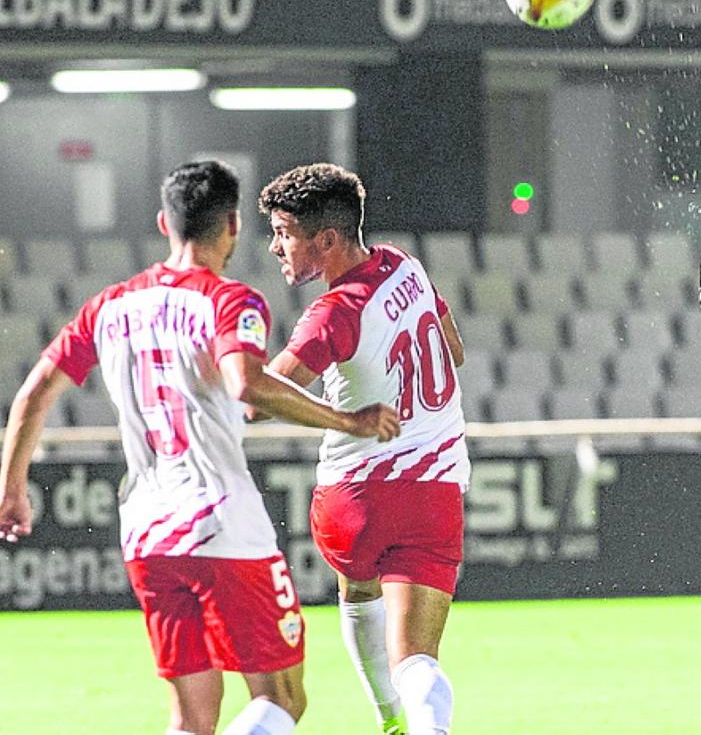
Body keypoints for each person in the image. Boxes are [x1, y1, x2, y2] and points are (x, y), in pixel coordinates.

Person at [0, 160, 401, 734]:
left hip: (145, 532)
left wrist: (12, 490)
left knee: (191, 718)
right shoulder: (229, 301)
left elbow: (34, 393)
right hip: (221, 525)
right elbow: (248, 384)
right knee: (282, 699)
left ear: (166, 223)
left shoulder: (108, 307)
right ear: (233, 226)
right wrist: (348, 421)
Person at [256, 163, 469, 735]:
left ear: (324, 240)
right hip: (431, 491)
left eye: (284, 232)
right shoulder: (405, 265)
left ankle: (388, 721)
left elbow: (260, 396)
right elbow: (455, 351)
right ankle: (424, 727)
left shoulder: (333, 313)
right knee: (418, 658)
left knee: (358, 592)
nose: (276, 247)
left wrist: (345, 416)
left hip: (351, 499)